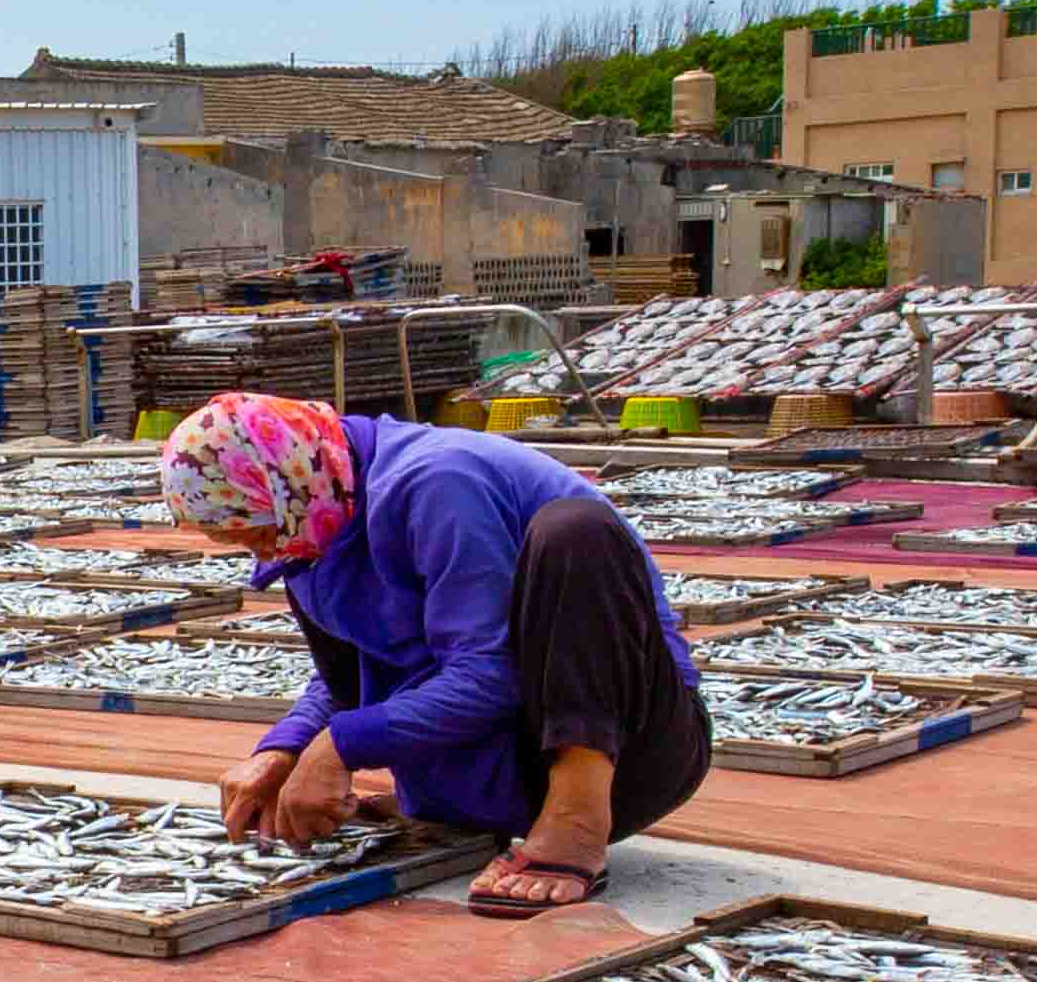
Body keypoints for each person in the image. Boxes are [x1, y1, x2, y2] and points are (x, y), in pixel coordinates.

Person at [162, 392, 709, 917]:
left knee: (576, 531)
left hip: (629, 750)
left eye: (253, 530)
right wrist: (284, 749)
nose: (258, 550)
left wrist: (340, 747)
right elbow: (349, 670)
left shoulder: (439, 481)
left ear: (283, 482)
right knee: (304, 575)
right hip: (500, 766)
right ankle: (464, 805)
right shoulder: (314, 517)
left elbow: (491, 673)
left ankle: (575, 821)